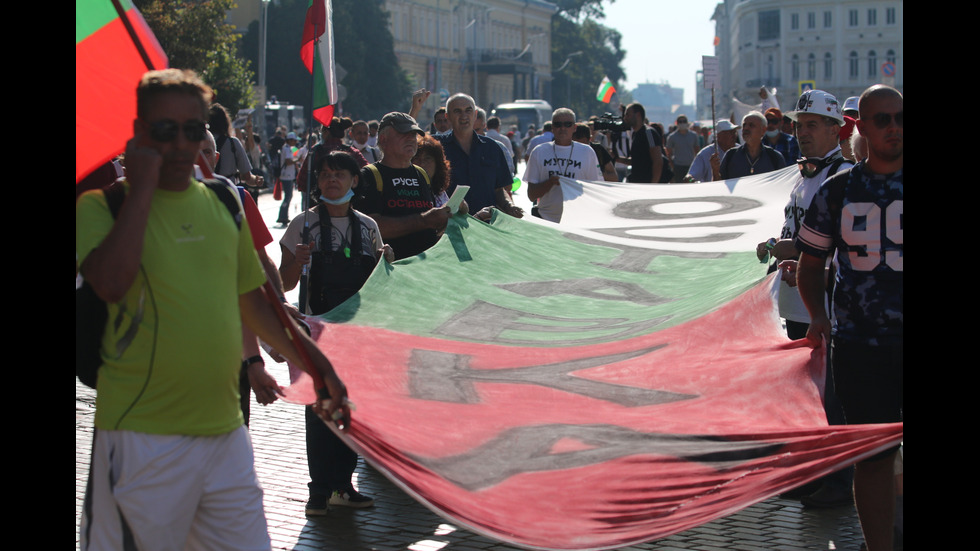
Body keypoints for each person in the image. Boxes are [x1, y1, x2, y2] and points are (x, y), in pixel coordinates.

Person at [77, 68, 350, 550]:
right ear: (139, 135)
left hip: (224, 436)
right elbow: (111, 283)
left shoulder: (225, 201)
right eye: (165, 130)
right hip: (139, 439)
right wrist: (142, 190)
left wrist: (320, 368)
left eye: (193, 130)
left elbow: (259, 304)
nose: (181, 144)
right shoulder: (103, 207)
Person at [794, 85, 903, 551]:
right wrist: (817, 315)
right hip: (860, 347)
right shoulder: (837, 189)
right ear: (861, 127)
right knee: (874, 457)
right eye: (882, 119)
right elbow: (810, 263)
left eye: (901, 118)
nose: (894, 128)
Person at [279, 151, 392, 515]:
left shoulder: (368, 227)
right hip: (318, 334)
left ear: (354, 181)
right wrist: (297, 259)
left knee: (350, 408)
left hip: (357, 335)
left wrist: (386, 263)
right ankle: (319, 489)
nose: (331, 180)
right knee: (319, 410)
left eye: (339, 174)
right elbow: (283, 282)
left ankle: (343, 485)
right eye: (325, 174)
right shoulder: (304, 224)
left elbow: (379, 286)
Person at [761, 89, 854, 509]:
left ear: (836, 129)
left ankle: (838, 480)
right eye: (799, 125)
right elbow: (793, 228)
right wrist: (777, 247)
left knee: (831, 396)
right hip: (797, 303)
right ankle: (810, 473)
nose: (802, 133)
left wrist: (795, 251)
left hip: (828, 303)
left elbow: (849, 246)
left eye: (812, 124)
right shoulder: (802, 174)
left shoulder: (846, 177)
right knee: (805, 393)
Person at [354, 112, 451, 260]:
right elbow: (371, 227)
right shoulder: (370, 175)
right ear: (383, 139)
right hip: (391, 270)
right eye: (404, 134)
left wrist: (450, 216)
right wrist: (424, 220)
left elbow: (432, 224)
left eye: (413, 135)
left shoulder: (421, 174)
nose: (411, 139)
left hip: (426, 269)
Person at [436, 94, 524, 217]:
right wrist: (416, 108)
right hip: (450, 227)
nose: (464, 116)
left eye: (468, 110)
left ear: (475, 114)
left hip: (485, 227)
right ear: (448, 117)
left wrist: (509, 206)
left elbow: (499, 190)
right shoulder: (436, 147)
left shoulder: (492, 148)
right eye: (457, 111)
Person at [523, 108, 601, 223]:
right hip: (546, 220)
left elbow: (595, 190)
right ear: (552, 128)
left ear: (574, 128)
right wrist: (550, 182)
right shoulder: (539, 152)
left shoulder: (587, 152)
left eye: (567, 124)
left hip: (577, 220)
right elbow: (531, 195)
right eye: (558, 124)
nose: (562, 128)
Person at [208, 102, 263, 199]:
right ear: (226, 122)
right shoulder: (233, 143)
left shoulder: (200, 142)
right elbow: (247, 177)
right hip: (228, 194)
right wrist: (256, 180)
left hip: (206, 192)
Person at [720, 111, 786, 179]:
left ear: (763, 130)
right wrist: (715, 172)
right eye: (744, 125)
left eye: (751, 125)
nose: (746, 128)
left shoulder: (775, 158)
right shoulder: (730, 156)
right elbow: (720, 184)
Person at [622, 102, 664, 183]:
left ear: (637, 115)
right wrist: (617, 158)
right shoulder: (635, 134)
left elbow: (658, 161)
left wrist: (653, 184)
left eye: (628, 114)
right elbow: (637, 161)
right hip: (637, 183)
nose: (625, 118)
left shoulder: (649, 133)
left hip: (647, 184)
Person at [665, 114, 700, 182]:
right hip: (678, 167)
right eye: (680, 122)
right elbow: (668, 153)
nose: (682, 123)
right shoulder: (672, 137)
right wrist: (672, 166)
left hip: (690, 166)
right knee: (680, 186)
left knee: (691, 186)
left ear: (687, 123)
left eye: (684, 121)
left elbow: (697, 151)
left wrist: (696, 165)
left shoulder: (693, 135)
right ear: (677, 123)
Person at [277, 131, 300, 225]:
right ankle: (283, 216)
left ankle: (284, 215)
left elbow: (296, 153)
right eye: (294, 140)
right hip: (287, 175)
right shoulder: (286, 148)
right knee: (288, 196)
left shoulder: (290, 148)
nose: (295, 142)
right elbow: (288, 161)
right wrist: (297, 160)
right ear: (290, 140)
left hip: (289, 175)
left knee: (288, 196)